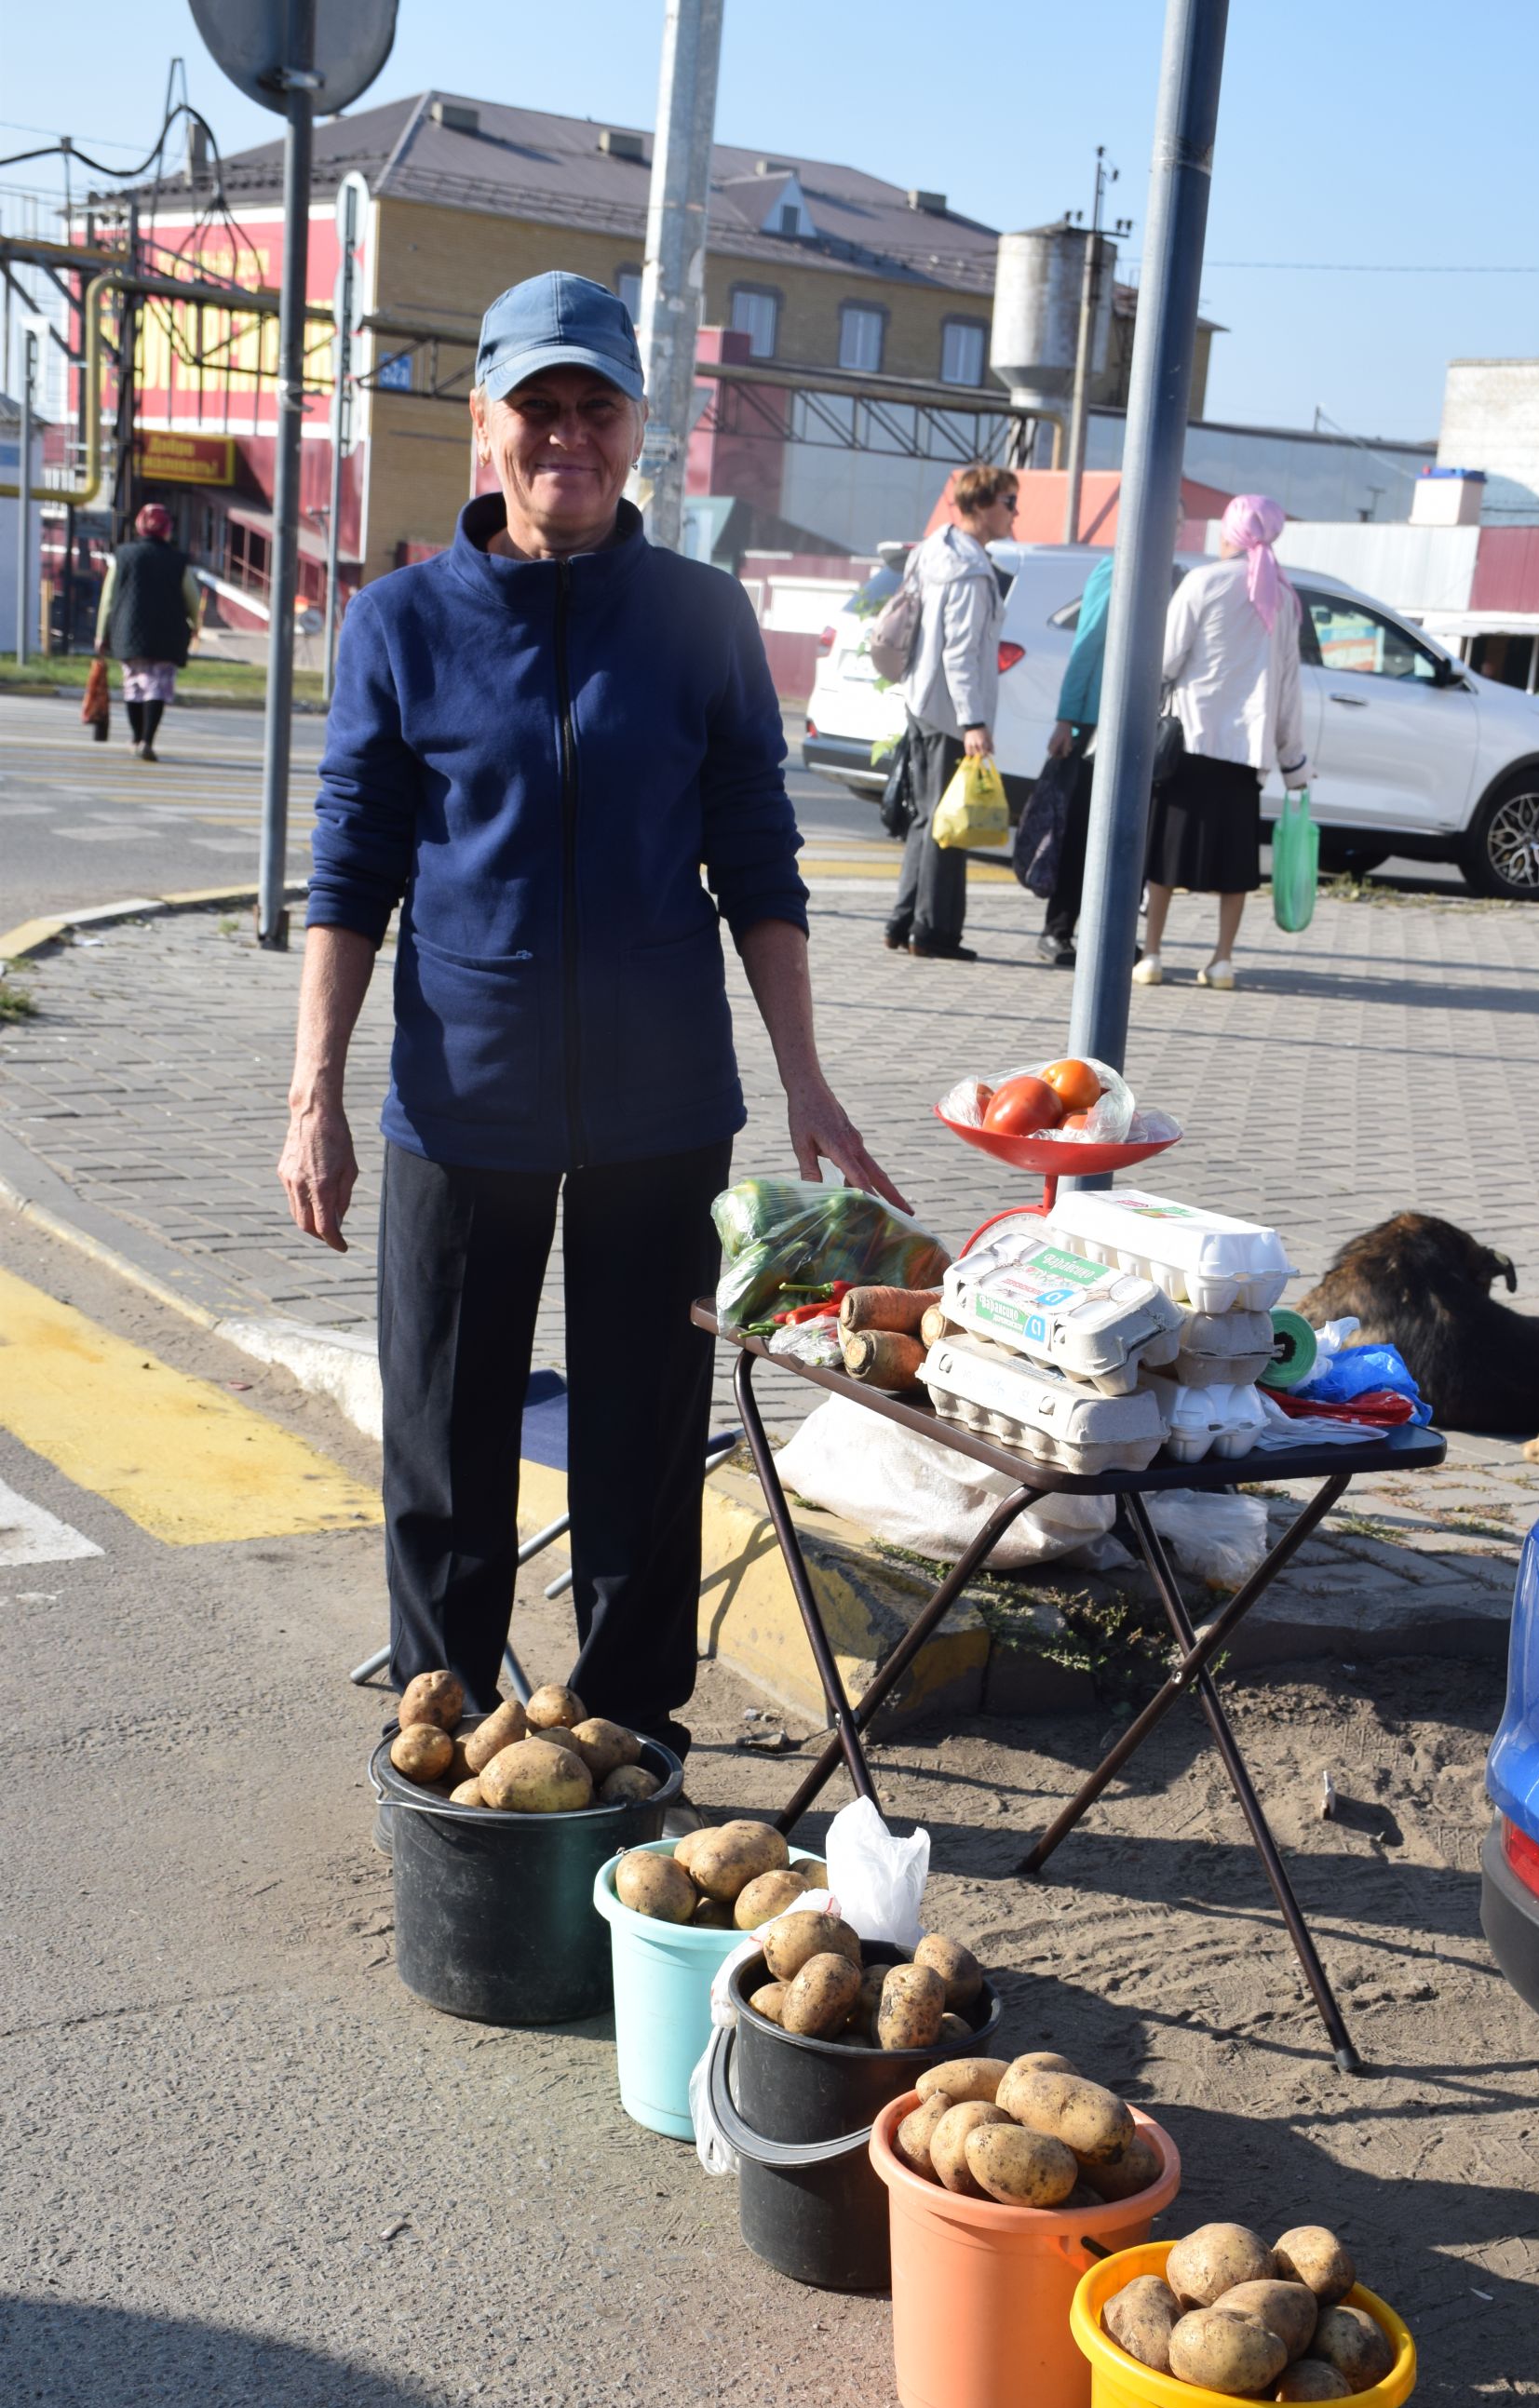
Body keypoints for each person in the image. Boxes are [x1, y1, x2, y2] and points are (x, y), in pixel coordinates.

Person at [278, 270, 898, 1757]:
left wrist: (807, 1076)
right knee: (444, 1434)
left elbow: (756, 850)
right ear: (486, 422)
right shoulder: (401, 622)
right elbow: (353, 860)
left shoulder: (697, 618)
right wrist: (312, 1090)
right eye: (537, 406)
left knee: (639, 1434)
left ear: (639, 429)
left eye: (595, 407)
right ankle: (448, 1724)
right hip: (460, 1092)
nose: (567, 434)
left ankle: (628, 1729)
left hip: (658, 1102)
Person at [1135, 494, 1311, 991]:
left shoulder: (1203, 582)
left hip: (1191, 739)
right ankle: (1223, 960)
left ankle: (1151, 954)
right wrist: (1293, 760)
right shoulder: (1282, 595)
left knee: (1167, 855)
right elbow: (1289, 686)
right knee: (1234, 865)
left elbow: (1166, 660)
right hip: (1246, 751)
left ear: (1232, 533)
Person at [884, 463, 1018, 963]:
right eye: (1008, 502)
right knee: (950, 823)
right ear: (980, 505)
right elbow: (961, 654)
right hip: (948, 712)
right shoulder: (972, 571)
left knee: (926, 818)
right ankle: (933, 933)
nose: (1014, 513)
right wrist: (975, 723)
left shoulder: (935, 550)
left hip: (921, 699)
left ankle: (902, 921)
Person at [1035, 547, 1113, 966]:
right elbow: (1086, 645)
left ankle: (1108, 933)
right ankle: (1057, 929)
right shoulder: (1116, 570)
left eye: (1177, 520)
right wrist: (1066, 719)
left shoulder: (1170, 575)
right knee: (1080, 834)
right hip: (1091, 726)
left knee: (1119, 840)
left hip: (1133, 729)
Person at [92, 502, 202, 761]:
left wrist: (101, 633)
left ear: (140, 526)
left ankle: (134, 737)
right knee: (157, 687)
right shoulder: (178, 561)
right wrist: (196, 626)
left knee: (133, 686)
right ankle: (148, 740)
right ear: (168, 529)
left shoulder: (123, 555)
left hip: (127, 632)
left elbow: (108, 599)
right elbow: (192, 598)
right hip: (167, 635)